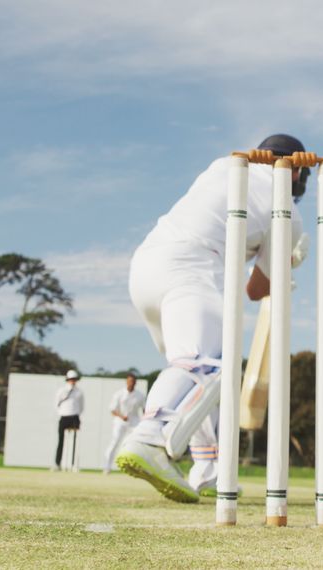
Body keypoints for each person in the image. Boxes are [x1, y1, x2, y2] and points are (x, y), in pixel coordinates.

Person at [116, 134, 309, 502]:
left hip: (146, 266)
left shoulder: (224, 166)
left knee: (191, 372)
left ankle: (209, 468)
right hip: (194, 268)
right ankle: (150, 437)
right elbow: (256, 289)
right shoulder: (289, 211)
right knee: (209, 366)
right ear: (297, 169)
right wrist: (288, 261)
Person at [103, 373, 146, 474]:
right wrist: (122, 416)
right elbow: (113, 410)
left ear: (135, 383)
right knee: (115, 442)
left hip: (134, 422)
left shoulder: (140, 395)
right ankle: (107, 467)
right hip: (120, 422)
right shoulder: (119, 394)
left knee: (136, 443)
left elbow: (144, 410)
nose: (131, 383)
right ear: (126, 382)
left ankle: (134, 468)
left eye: (133, 381)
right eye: (129, 381)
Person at [53, 369, 84, 471]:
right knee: (61, 441)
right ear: (67, 379)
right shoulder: (61, 391)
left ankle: (73, 464)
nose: (72, 381)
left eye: (74, 379)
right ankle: (57, 464)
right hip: (64, 417)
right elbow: (56, 404)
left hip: (74, 417)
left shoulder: (79, 392)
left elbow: (81, 406)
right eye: (71, 379)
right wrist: (62, 413)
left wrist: (76, 414)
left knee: (75, 442)